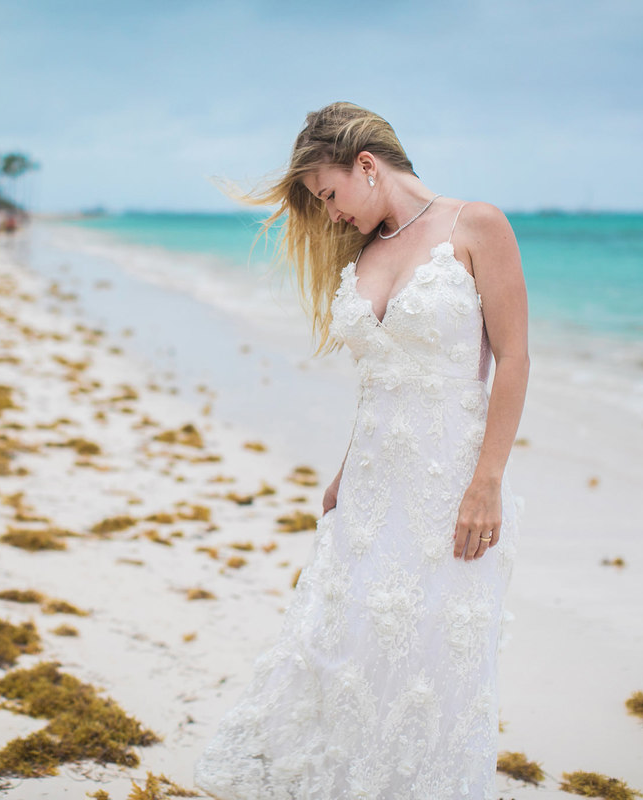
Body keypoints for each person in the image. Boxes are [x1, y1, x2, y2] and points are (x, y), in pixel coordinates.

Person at [193, 102, 528, 799]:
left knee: (434, 662)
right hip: (373, 488)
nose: (333, 215)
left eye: (330, 195)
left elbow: (515, 357)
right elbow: (381, 378)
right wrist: (346, 471)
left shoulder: (478, 226)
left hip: (450, 486)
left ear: (367, 166)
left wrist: (488, 480)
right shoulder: (369, 252)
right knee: (353, 651)